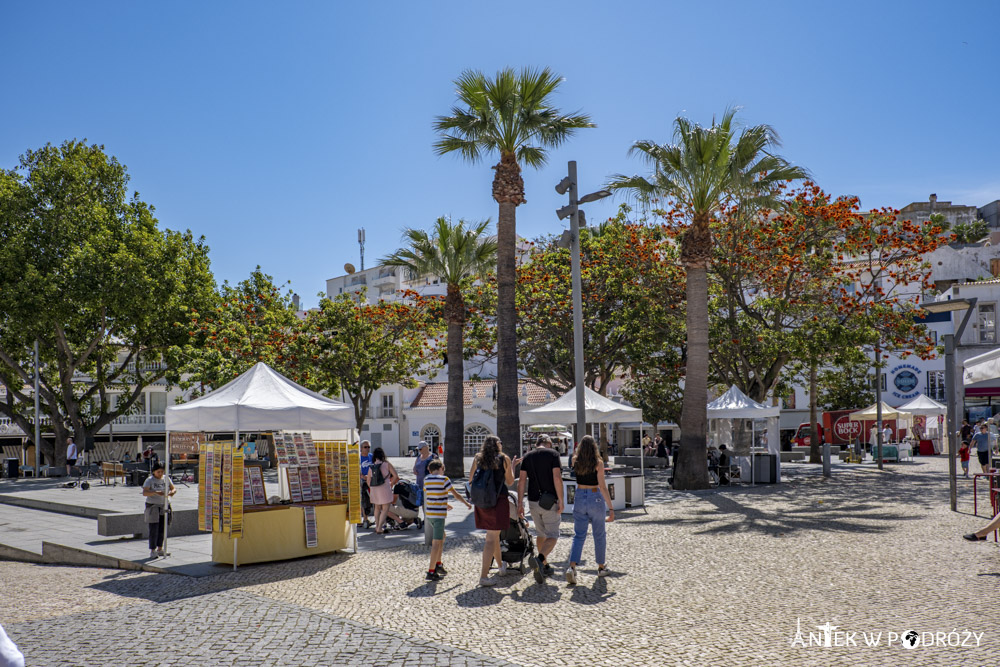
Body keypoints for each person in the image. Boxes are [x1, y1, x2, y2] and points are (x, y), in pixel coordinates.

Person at [566, 435, 614, 585]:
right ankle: (601, 567)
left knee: (579, 535)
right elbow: (603, 486)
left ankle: (572, 567)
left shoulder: (575, 461)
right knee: (599, 534)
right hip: (595, 497)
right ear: (594, 447)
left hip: (579, 496)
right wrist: (611, 508)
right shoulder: (598, 463)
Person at [469, 435, 515, 587]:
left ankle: (501, 566)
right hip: (498, 500)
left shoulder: (478, 458)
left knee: (494, 535)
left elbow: (470, 480)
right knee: (491, 537)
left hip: (482, 501)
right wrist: (511, 467)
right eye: (500, 442)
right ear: (497, 444)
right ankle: (483, 576)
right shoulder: (504, 459)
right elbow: (510, 481)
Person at [517, 434, 563, 583]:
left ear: (537, 444)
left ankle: (544, 566)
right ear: (548, 443)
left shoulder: (527, 456)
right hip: (549, 501)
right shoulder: (553, 454)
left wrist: (519, 503)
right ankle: (540, 559)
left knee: (541, 533)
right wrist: (561, 500)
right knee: (553, 535)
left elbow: (522, 481)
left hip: (533, 501)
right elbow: (557, 477)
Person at [422, 459, 471, 580]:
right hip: (438, 516)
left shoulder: (426, 480)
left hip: (429, 515)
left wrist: (444, 504)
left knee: (442, 537)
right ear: (441, 468)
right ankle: (431, 571)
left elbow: (432, 494)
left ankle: (438, 564)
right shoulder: (444, 480)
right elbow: (456, 495)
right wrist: (466, 503)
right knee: (437, 542)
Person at [141, 462, 175, 558]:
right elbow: (145, 493)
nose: (160, 474)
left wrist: (172, 492)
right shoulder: (149, 480)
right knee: (154, 528)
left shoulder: (166, 478)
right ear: (154, 472)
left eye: (162, 472)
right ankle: (153, 550)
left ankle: (160, 548)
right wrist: (155, 492)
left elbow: (173, 488)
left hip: (164, 505)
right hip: (153, 506)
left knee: (162, 528)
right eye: (158, 472)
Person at [366, 447, 398, 534]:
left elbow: (368, 480)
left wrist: (372, 487)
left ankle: (377, 526)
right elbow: (395, 475)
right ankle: (380, 527)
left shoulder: (371, 466)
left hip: (375, 490)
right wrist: (391, 483)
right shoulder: (387, 464)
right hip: (385, 488)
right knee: (385, 508)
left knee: (377, 508)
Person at [359, 441, 373, 527]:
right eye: (365, 447)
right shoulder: (359, 458)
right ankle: (365, 518)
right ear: (361, 448)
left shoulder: (371, 456)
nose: (367, 449)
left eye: (368, 447)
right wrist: (362, 476)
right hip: (362, 481)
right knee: (364, 500)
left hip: (372, 481)